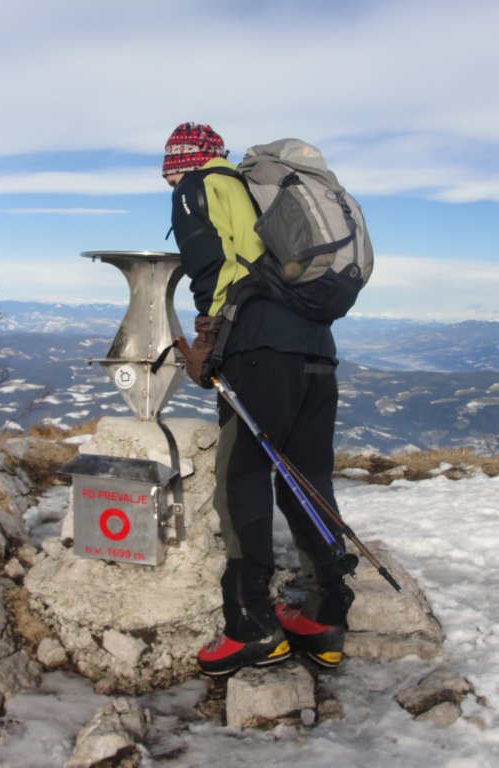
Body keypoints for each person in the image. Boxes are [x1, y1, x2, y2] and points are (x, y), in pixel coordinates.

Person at [162, 122, 354, 676]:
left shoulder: (198, 185)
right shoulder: (258, 188)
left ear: (180, 161)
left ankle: (251, 628)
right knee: (307, 477)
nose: (168, 179)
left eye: (168, 168)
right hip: (317, 349)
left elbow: (213, 268)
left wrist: (208, 336)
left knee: (240, 479)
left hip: (259, 350)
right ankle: (324, 618)